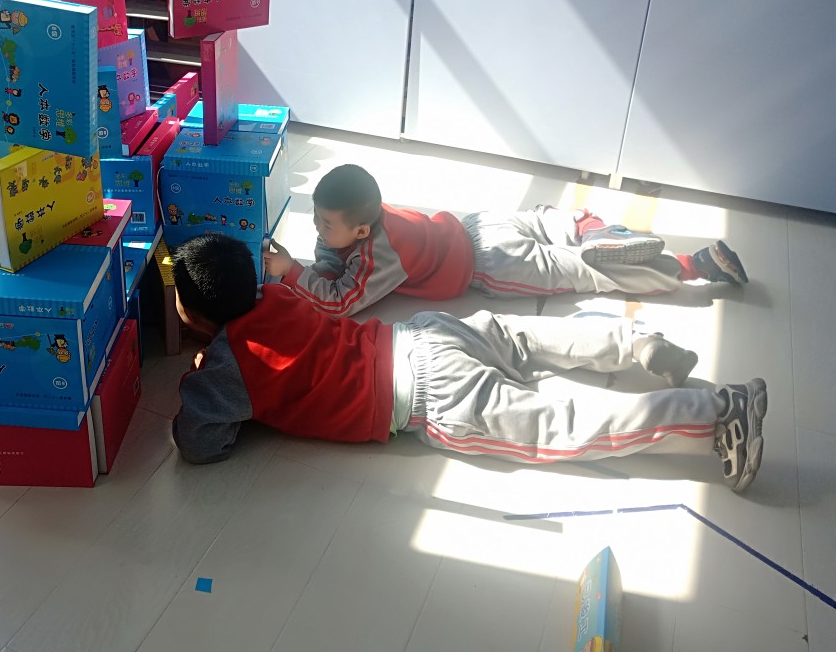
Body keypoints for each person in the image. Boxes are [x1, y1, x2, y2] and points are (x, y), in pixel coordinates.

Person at [171, 234, 767, 493]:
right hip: (421, 335)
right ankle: (632, 342)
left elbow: (199, 442)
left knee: (558, 426)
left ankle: (717, 413)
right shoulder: (274, 294)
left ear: (195, 315)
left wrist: (205, 373)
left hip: (430, 399)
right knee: (524, 337)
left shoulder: (227, 367)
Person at [262, 164, 749, 317]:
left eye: (325, 224)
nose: (317, 228)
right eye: (317, 218)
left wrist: (294, 274)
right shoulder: (373, 214)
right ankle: (594, 229)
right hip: (479, 224)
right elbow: (334, 254)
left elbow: (343, 303)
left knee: (582, 272)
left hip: (488, 265)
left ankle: (694, 264)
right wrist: (322, 260)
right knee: (553, 220)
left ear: (361, 232)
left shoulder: (378, 253)